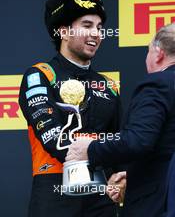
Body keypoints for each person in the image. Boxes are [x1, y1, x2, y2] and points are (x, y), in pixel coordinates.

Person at [19, 0, 122, 217]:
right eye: (86, 25)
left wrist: (121, 177)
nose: (96, 33)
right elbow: (53, 137)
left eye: (99, 27)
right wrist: (101, 151)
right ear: (63, 31)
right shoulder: (40, 74)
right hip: (54, 193)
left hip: (101, 197)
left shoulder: (109, 85)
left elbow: (120, 140)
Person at [66, 23, 175, 217]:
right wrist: (134, 175)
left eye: (148, 51)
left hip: (159, 204)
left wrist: (90, 148)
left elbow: (138, 140)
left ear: (158, 53)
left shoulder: (159, 83)